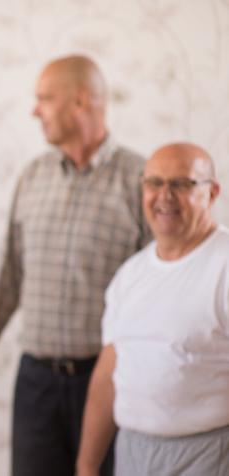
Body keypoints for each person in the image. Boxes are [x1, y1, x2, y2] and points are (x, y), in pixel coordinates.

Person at [0, 54, 151, 476]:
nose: (34, 110)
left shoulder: (142, 180)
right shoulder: (32, 177)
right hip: (35, 383)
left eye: (44, 99)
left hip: (110, 382)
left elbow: (158, 292)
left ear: (79, 102)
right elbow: (8, 276)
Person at [76, 143, 228, 476]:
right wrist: (87, 465)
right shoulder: (130, 274)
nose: (165, 196)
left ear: (212, 192)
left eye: (181, 184)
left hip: (208, 454)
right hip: (132, 452)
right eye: (154, 183)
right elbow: (107, 376)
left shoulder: (224, 264)